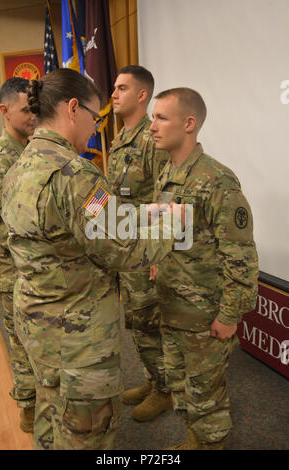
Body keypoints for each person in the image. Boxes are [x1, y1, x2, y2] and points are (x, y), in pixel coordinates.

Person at [1, 68, 177, 450]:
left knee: (51, 418)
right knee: (88, 435)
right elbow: (122, 248)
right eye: (94, 118)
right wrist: (172, 225)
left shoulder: (19, 166)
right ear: (72, 108)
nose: (96, 129)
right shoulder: (75, 174)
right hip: (79, 338)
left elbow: (65, 233)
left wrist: (131, 215)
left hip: (37, 327)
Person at [149, 87, 259, 450]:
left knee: (207, 397)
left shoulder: (217, 181)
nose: (152, 126)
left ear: (189, 123)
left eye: (161, 117)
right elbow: (168, 233)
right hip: (172, 306)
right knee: (182, 388)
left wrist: (229, 316)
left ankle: (209, 443)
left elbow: (240, 258)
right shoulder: (166, 173)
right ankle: (194, 440)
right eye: (153, 117)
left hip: (203, 314)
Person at [107, 65, 171, 422]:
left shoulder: (150, 139)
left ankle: (165, 389)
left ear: (142, 95)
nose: (113, 94)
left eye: (121, 88)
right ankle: (153, 378)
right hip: (124, 248)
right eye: (114, 88)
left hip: (144, 250)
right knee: (136, 319)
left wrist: (158, 254)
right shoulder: (119, 139)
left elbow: (166, 197)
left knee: (147, 319)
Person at [0, 77, 37, 432]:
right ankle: (28, 403)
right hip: (13, 272)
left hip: (42, 270)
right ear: (4, 111)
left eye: (35, 107)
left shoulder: (37, 150)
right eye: (25, 110)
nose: (33, 115)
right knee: (21, 342)